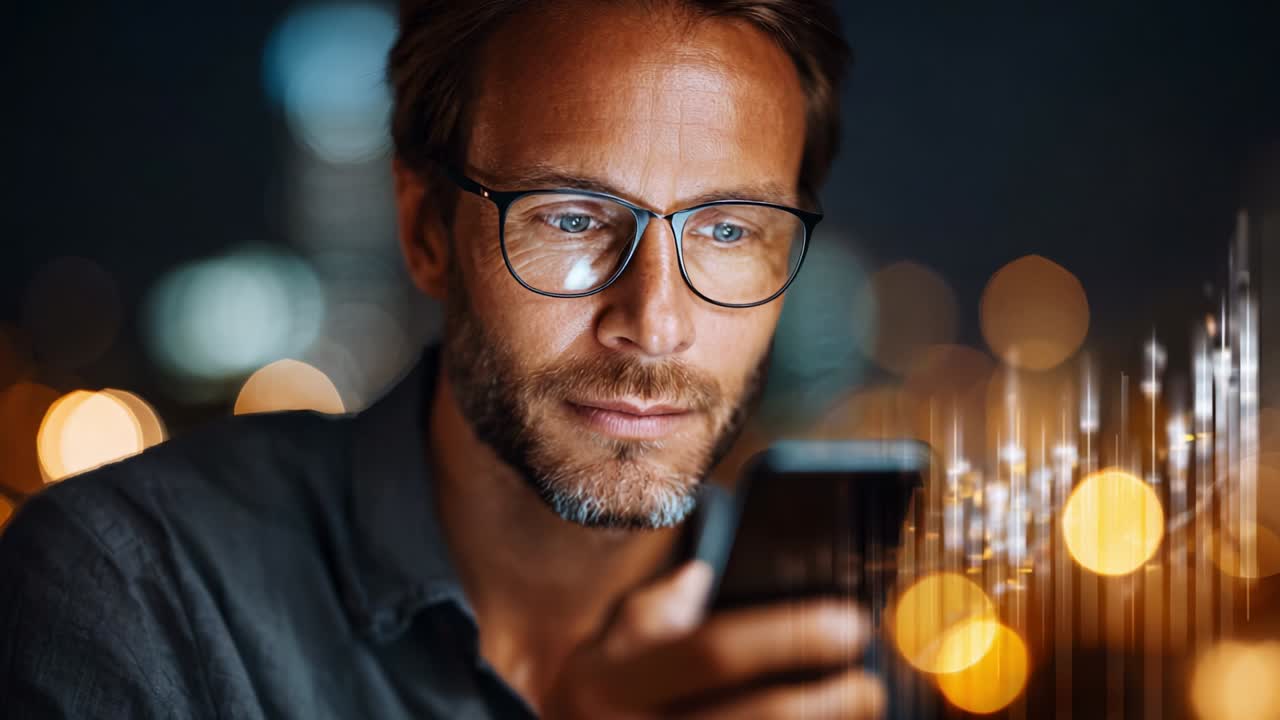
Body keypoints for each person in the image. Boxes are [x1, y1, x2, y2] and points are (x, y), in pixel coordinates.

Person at [0, 1, 883, 717]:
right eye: (571, 218)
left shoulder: (824, 644)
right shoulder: (131, 594)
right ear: (426, 233)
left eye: (728, 230)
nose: (654, 324)